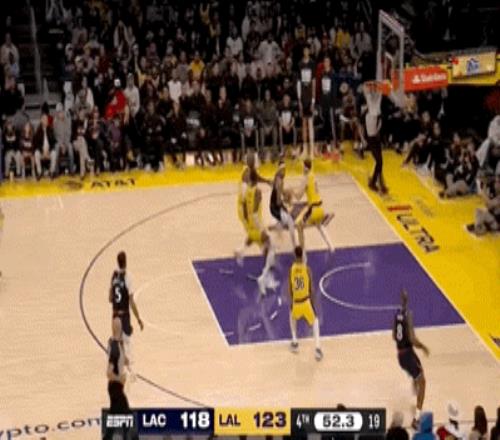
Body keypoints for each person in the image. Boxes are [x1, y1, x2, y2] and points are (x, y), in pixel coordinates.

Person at [393, 289, 430, 429]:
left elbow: (394, 336)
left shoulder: (397, 316)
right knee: (423, 382)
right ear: (407, 300)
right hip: (408, 355)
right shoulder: (408, 316)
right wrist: (423, 347)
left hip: (401, 355)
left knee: (419, 369)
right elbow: (413, 339)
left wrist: (403, 341)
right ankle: (416, 419)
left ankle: (415, 384)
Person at [237, 169, 276, 296]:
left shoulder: (246, 191)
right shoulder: (257, 192)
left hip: (250, 226)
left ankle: (240, 251)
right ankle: (264, 277)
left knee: (262, 246)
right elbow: (254, 213)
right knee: (271, 247)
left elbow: (244, 207)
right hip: (256, 225)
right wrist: (262, 228)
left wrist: (247, 221)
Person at [109, 251, 144, 378]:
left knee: (119, 342)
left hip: (114, 314)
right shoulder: (128, 277)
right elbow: (131, 301)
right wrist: (138, 318)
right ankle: (131, 371)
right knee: (128, 342)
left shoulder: (114, 275)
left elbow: (110, 298)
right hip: (124, 315)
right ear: (126, 261)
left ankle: (121, 370)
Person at [103, 317, 138, 440]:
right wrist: (120, 378)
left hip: (115, 387)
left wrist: (125, 360)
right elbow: (109, 373)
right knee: (127, 416)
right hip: (115, 387)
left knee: (115, 419)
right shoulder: (115, 348)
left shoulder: (115, 342)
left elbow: (119, 355)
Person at [292, 159, 335, 253]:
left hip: (313, 210)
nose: (302, 168)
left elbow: (298, 196)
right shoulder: (313, 176)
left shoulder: (305, 178)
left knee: (299, 226)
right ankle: (331, 247)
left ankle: (302, 253)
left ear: (305, 168)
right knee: (319, 225)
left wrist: (292, 191)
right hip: (320, 208)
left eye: (303, 166)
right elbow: (316, 192)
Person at [288, 246, 322, 361]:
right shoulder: (307, 269)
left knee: (292, 316)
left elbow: (290, 288)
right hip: (306, 301)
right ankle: (317, 348)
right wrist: (313, 301)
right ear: (302, 255)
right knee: (315, 321)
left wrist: (292, 302)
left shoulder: (292, 269)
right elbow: (311, 288)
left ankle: (294, 342)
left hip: (296, 302)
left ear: (294, 255)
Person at [364, 81, 387, 194]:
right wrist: (373, 85)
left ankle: (379, 181)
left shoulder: (375, 111)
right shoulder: (371, 112)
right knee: (379, 162)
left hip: (376, 138)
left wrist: (377, 86)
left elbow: (378, 96)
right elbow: (371, 96)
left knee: (380, 162)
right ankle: (373, 182)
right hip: (372, 139)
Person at [270, 161, 297, 248]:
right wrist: (286, 208)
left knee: (282, 222)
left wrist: (287, 193)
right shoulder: (279, 181)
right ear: (279, 170)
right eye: (283, 170)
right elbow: (278, 202)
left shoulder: (278, 178)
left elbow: (280, 193)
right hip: (275, 208)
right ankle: (295, 246)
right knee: (291, 222)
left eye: (285, 170)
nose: (284, 172)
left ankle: (276, 240)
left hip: (274, 206)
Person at [297, 45, 316, 157]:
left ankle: (312, 149)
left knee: (310, 123)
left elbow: (313, 82)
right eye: (304, 50)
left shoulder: (312, 64)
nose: (306, 52)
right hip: (303, 97)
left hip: (310, 97)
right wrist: (299, 99)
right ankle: (305, 149)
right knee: (303, 124)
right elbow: (298, 83)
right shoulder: (299, 64)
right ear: (303, 51)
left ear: (309, 51)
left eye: (307, 50)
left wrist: (313, 100)